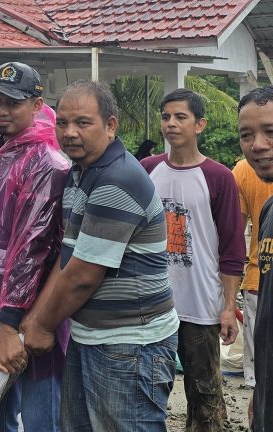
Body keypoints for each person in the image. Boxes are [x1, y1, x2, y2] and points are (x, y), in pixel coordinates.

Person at [20, 80, 180, 431]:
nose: (70, 132)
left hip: (130, 344)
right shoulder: (80, 174)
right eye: (62, 123)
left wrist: (43, 326)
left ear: (110, 125)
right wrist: (34, 320)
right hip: (93, 335)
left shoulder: (116, 179)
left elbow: (82, 276)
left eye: (82, 122)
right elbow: (68, 259)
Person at [0, 62, 69, 432]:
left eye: (14, 103)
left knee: (41, 417)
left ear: (37, 105)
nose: (2, 111)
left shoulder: (47, 163)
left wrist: (11, 323)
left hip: (34, 315)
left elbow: (31, 247)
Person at [140, 88, 245, 431]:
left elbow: (231, 249)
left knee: (205, 397)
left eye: (180, 117)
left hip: (201, 308)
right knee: (148, 391)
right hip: (152, 306)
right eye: (166, 116)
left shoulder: (219, 177)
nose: (171, 124)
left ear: (200, 124)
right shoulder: (147, 170)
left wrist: (228, 307)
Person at [237, 86, 273, 431]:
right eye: (246, 135)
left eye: (270, 132)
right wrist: (261, 390)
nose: (257, 145)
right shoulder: (269, 212)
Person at [233, 158, 273, 389]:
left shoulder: (243, 169)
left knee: (256, 344)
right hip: (257, 275)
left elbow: (236, 230)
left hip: (258, 272)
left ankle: (254, 381)